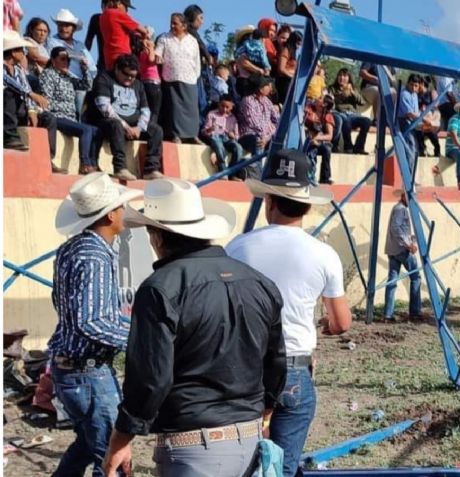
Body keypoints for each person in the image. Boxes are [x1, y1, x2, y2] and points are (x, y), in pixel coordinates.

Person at [104, 178, 287, 477]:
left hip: (192, 446)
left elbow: (150, 379)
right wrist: (265, 411)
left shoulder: (160, 289)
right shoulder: (259, 283)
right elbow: (276, 360)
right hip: (250, 440)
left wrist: (121, 439)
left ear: (158, 237)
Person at [227, 150, 351, 477]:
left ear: (269, 201)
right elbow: (341, 322)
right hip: (295, 366)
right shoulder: (323, 254)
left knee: (245, 460)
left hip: (246, 367)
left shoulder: (238, 248)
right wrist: (319, 325)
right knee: (282, 465)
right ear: (308, 206)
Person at [49, 173, 141, 477]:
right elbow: (92, 321)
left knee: (88, 445)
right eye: (121, 207)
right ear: (111, 214)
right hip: (87, 372)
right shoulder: (95, 256)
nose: (124, 212)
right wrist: (137, 337)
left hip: (72, 370)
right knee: (112, 457)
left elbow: (64, 304)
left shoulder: (73, 249)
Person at [87, 54, 163, 181]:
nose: (129, 78)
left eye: (133, 76)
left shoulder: (138, 84)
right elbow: (104, 107)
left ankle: (151, 169)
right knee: (115, 125)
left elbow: (145, 110)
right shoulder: (104, 78)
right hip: (107, 121)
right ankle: (120, 168)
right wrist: (126, 127)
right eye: (126, 74)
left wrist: (139, 128)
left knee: (156, 130)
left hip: (134, 124)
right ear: (117, 68)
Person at [3, 31, 64, 172]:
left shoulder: (19, 70)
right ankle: (9, 138)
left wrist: (31, 110)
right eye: (21, 50)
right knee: (8, 93)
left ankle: (48, 158)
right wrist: (30, 94)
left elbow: (26, 88)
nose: (24, 53)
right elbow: (7, 81)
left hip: (19, 110)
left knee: (48, 118)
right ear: (13, 52)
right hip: (6, 110)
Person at [39, 46, 100, 174]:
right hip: (57, 116)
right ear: (53, 60)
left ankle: (94, 164)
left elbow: (87, 85)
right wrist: (65, 107)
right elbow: (46, 101)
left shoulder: (67, 77)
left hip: (70, 118)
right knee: (86, 129)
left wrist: (84, 68)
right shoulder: (48, 74)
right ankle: (85, 164)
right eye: (62, 59)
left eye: (68, 60)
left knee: (96, 131)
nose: (66, 62)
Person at [155, 13, 201, 143]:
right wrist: (157, 57)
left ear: (184, 25)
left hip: (189, 78)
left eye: (175, 23)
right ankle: (176, 135)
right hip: (171, 77)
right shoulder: (164, 38)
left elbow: (197, 61)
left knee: (191, 109)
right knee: (174, 109)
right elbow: (158, 53)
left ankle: (192, 135)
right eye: (171, 22)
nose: (172, 25)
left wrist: (194, 75)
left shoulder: (192, 41)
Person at [46, 8, 97, 115]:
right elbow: (58, 58)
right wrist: (78, 58)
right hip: (64, 80)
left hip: (83, 81)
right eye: (60, 25)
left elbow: (92, 66)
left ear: (73, 29)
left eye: (66, 26)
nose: (63, 28)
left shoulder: (80, 45)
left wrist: (85, 68)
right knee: (80, 95)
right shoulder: (52, 41)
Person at [383, 188, 423, 322]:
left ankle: (388, 314)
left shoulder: (398, 208)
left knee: (392, 280)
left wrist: (411, 240)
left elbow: (402, 230)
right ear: (404, 196)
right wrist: (408, 244)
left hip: (392, 249)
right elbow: (396, 228)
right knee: (416, 277)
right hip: (401, 250)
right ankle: (415, 311)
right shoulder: (401, 209)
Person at [328, 68, 370, 154]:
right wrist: (342, 94)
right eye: (340, 75)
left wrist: (352, 92)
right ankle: (348, 147)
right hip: (340, 113)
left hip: (353, 115)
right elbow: (331, 101)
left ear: (349, 78)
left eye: (344, 76)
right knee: (346, 120)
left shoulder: (353, 89)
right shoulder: (332, 88)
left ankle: (359, 147)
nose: (342, 78)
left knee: (367, 121)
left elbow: (362, 102)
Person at [238, 74, 279, 160]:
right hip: (249, 135)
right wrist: (264, 136)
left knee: (279, 143)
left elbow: (277, 120)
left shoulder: (267, 101)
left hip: (266, 136)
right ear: (261, 88)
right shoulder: (247, 100)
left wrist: (267, 137)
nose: (270, 88)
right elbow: (254, 124)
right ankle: (257, 171)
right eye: (267, 86)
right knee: (258, 141)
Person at [99, 0, 147, 71]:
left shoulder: (102, 16)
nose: (127, 10)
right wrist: (144, 40)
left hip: (108, 57)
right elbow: (144, 31)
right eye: (126, 6)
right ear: (118, 3)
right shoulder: (118, 14)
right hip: (123, 56)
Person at [202, 94, 242, 175]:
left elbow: (237, 136)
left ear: (232, 107)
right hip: (216, 136)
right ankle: (223, 171)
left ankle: (231, 171)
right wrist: (210, 129)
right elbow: (204, 131)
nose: (224, 109)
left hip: (227, 138)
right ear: (218, 104)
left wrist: (233, 136)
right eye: (222, 106)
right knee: (218, 143)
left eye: (227, 107)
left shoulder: (233, 118)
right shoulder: (212, 114)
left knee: (238, 148)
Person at [304, 94, 337, 184]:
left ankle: (325, 178)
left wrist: (317, 138)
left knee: (327, 149)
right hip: (307, 138)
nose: (316, 98)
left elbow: (329, 136)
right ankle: (309, 176)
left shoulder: (328, 116)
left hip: (321, 140)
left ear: (324, 104)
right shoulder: (309, 109)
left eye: (320, 98)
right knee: (311, 147)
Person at [137, 26, 161, 126]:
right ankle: (152, 128)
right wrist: (152, 48)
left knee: (145, 107)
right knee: (155, 109)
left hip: (143, 81)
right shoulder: (149, 46)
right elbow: (151, 60)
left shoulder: (140, 50)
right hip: (153, 82)